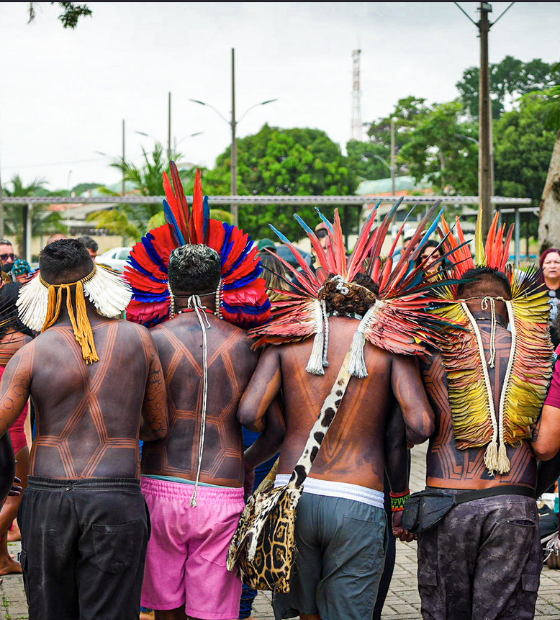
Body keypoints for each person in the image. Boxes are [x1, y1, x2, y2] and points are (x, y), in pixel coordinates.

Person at [234, 206, 455, 620]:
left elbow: (249, 412)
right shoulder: (389, 345)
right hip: (358, 496)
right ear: (373, 303)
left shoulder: (288, 338)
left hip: (293, 494)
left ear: (320, 295)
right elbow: (421, 423)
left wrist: (285, 423)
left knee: (305, 612)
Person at [125, 165, 272, 620]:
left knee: (164, 609)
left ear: (167, 284)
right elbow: (274, 428)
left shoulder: (148, 340)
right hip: (223, 488)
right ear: (222, 284)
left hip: (158, 484)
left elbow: (134, 421)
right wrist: (245, 465)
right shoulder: (251, 346)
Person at [0, 239, 168, 620]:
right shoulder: (139, 340)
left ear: (41, 288)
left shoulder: (31, 353)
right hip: (115, 496)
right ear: (97, 280)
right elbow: (157, 426)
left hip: (48, 501)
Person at [414, 212, 554, 620]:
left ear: (459, 302)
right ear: (511, 303)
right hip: (516, 501)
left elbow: (411, 426)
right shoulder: (541, 348)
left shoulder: (432, 346)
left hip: (447, 502)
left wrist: (397, 500)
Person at [0, 283, 33, 576]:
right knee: (15, 499)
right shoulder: (23, 342)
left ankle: (3, 561)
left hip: (3, 429)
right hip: (14, 434)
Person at [540, 248, 560, 347]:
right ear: (542, 265)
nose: (552, 266)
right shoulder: (531, 290)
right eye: (548, 262)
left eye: (557, 262)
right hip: (536, 347)